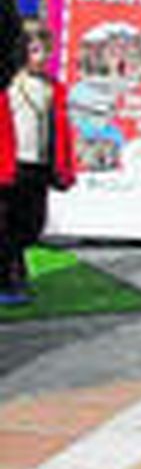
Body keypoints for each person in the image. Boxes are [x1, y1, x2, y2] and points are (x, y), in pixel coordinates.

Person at [0, 21, 75, 304]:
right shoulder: (9, 84)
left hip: (39, 167)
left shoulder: (54, 88)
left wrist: (63, 165)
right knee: (6, 225)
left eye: (45, 51)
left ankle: (14, 270)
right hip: (10, 167)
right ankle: (9, 280)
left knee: (31, 224)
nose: (42, 57)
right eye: (34, 50)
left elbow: (61, 130)